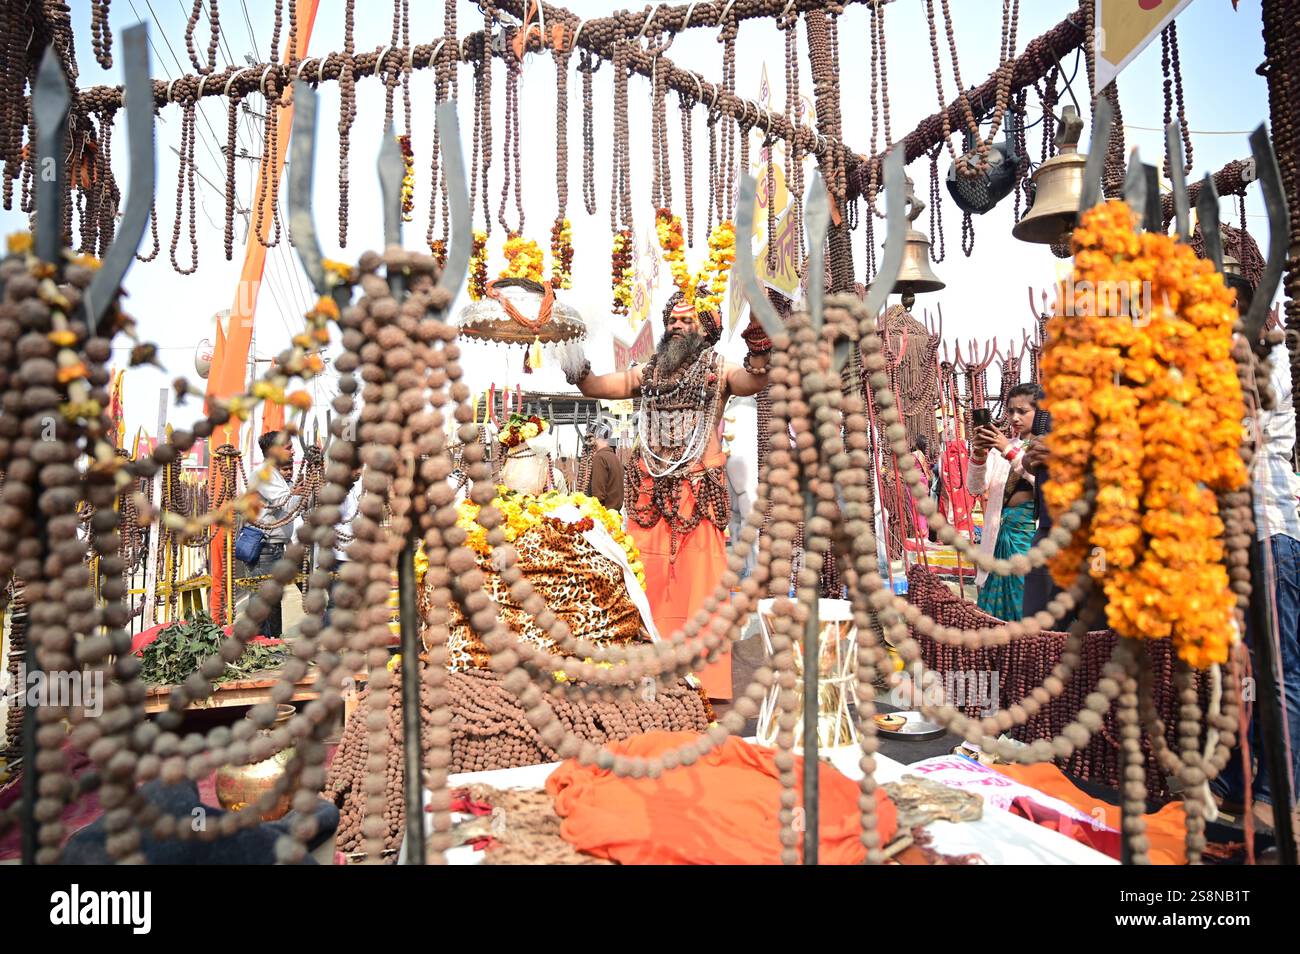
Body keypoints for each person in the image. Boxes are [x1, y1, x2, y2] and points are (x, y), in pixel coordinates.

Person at [561, 290, 771, 700]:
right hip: (648, 497)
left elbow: (753, 381)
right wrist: (571, 352)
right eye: (672, 321)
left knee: (702, 590)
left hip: (699, 495)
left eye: (687, 321)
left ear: (705, 331)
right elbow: (594, 387)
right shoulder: (648, 374)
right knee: (645, 582)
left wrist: (760, 342)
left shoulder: (719, 371)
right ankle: (646, 673)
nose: (677, 326)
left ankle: (704, 685)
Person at [1211, 278, 1300, 828]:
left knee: (1279, 670)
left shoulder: (1270, 360)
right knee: (1240, 669)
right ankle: (1235, 783)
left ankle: (1276, 793)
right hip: (1234, 543)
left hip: (1271, 533)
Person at [967, 384, 1040, 621]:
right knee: (994, 613)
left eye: (1022, 411)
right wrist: (979, 453)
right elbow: (976, 487)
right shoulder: (1001, 448)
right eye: (1010, 412)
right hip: (999, 537)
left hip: (1030, 539)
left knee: (1029, 604)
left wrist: (1008, 450)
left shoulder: (1047, 447)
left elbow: (1040, 480)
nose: (1015, 418)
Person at [241, 430, 304, 638]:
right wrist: (298, 493)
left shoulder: (277, 475)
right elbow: (289, 503)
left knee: (273, 600)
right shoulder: (265, 474)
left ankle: (272, 643)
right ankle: (261, 644)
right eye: (288, 447)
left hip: (275, 548)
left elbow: (295, 501)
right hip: (265, 548)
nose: (293, 451)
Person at [584, 416, 624, 511]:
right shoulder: (614, 457)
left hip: (604, 517)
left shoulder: (600, 458)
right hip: (614, 516)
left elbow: (597, 496)